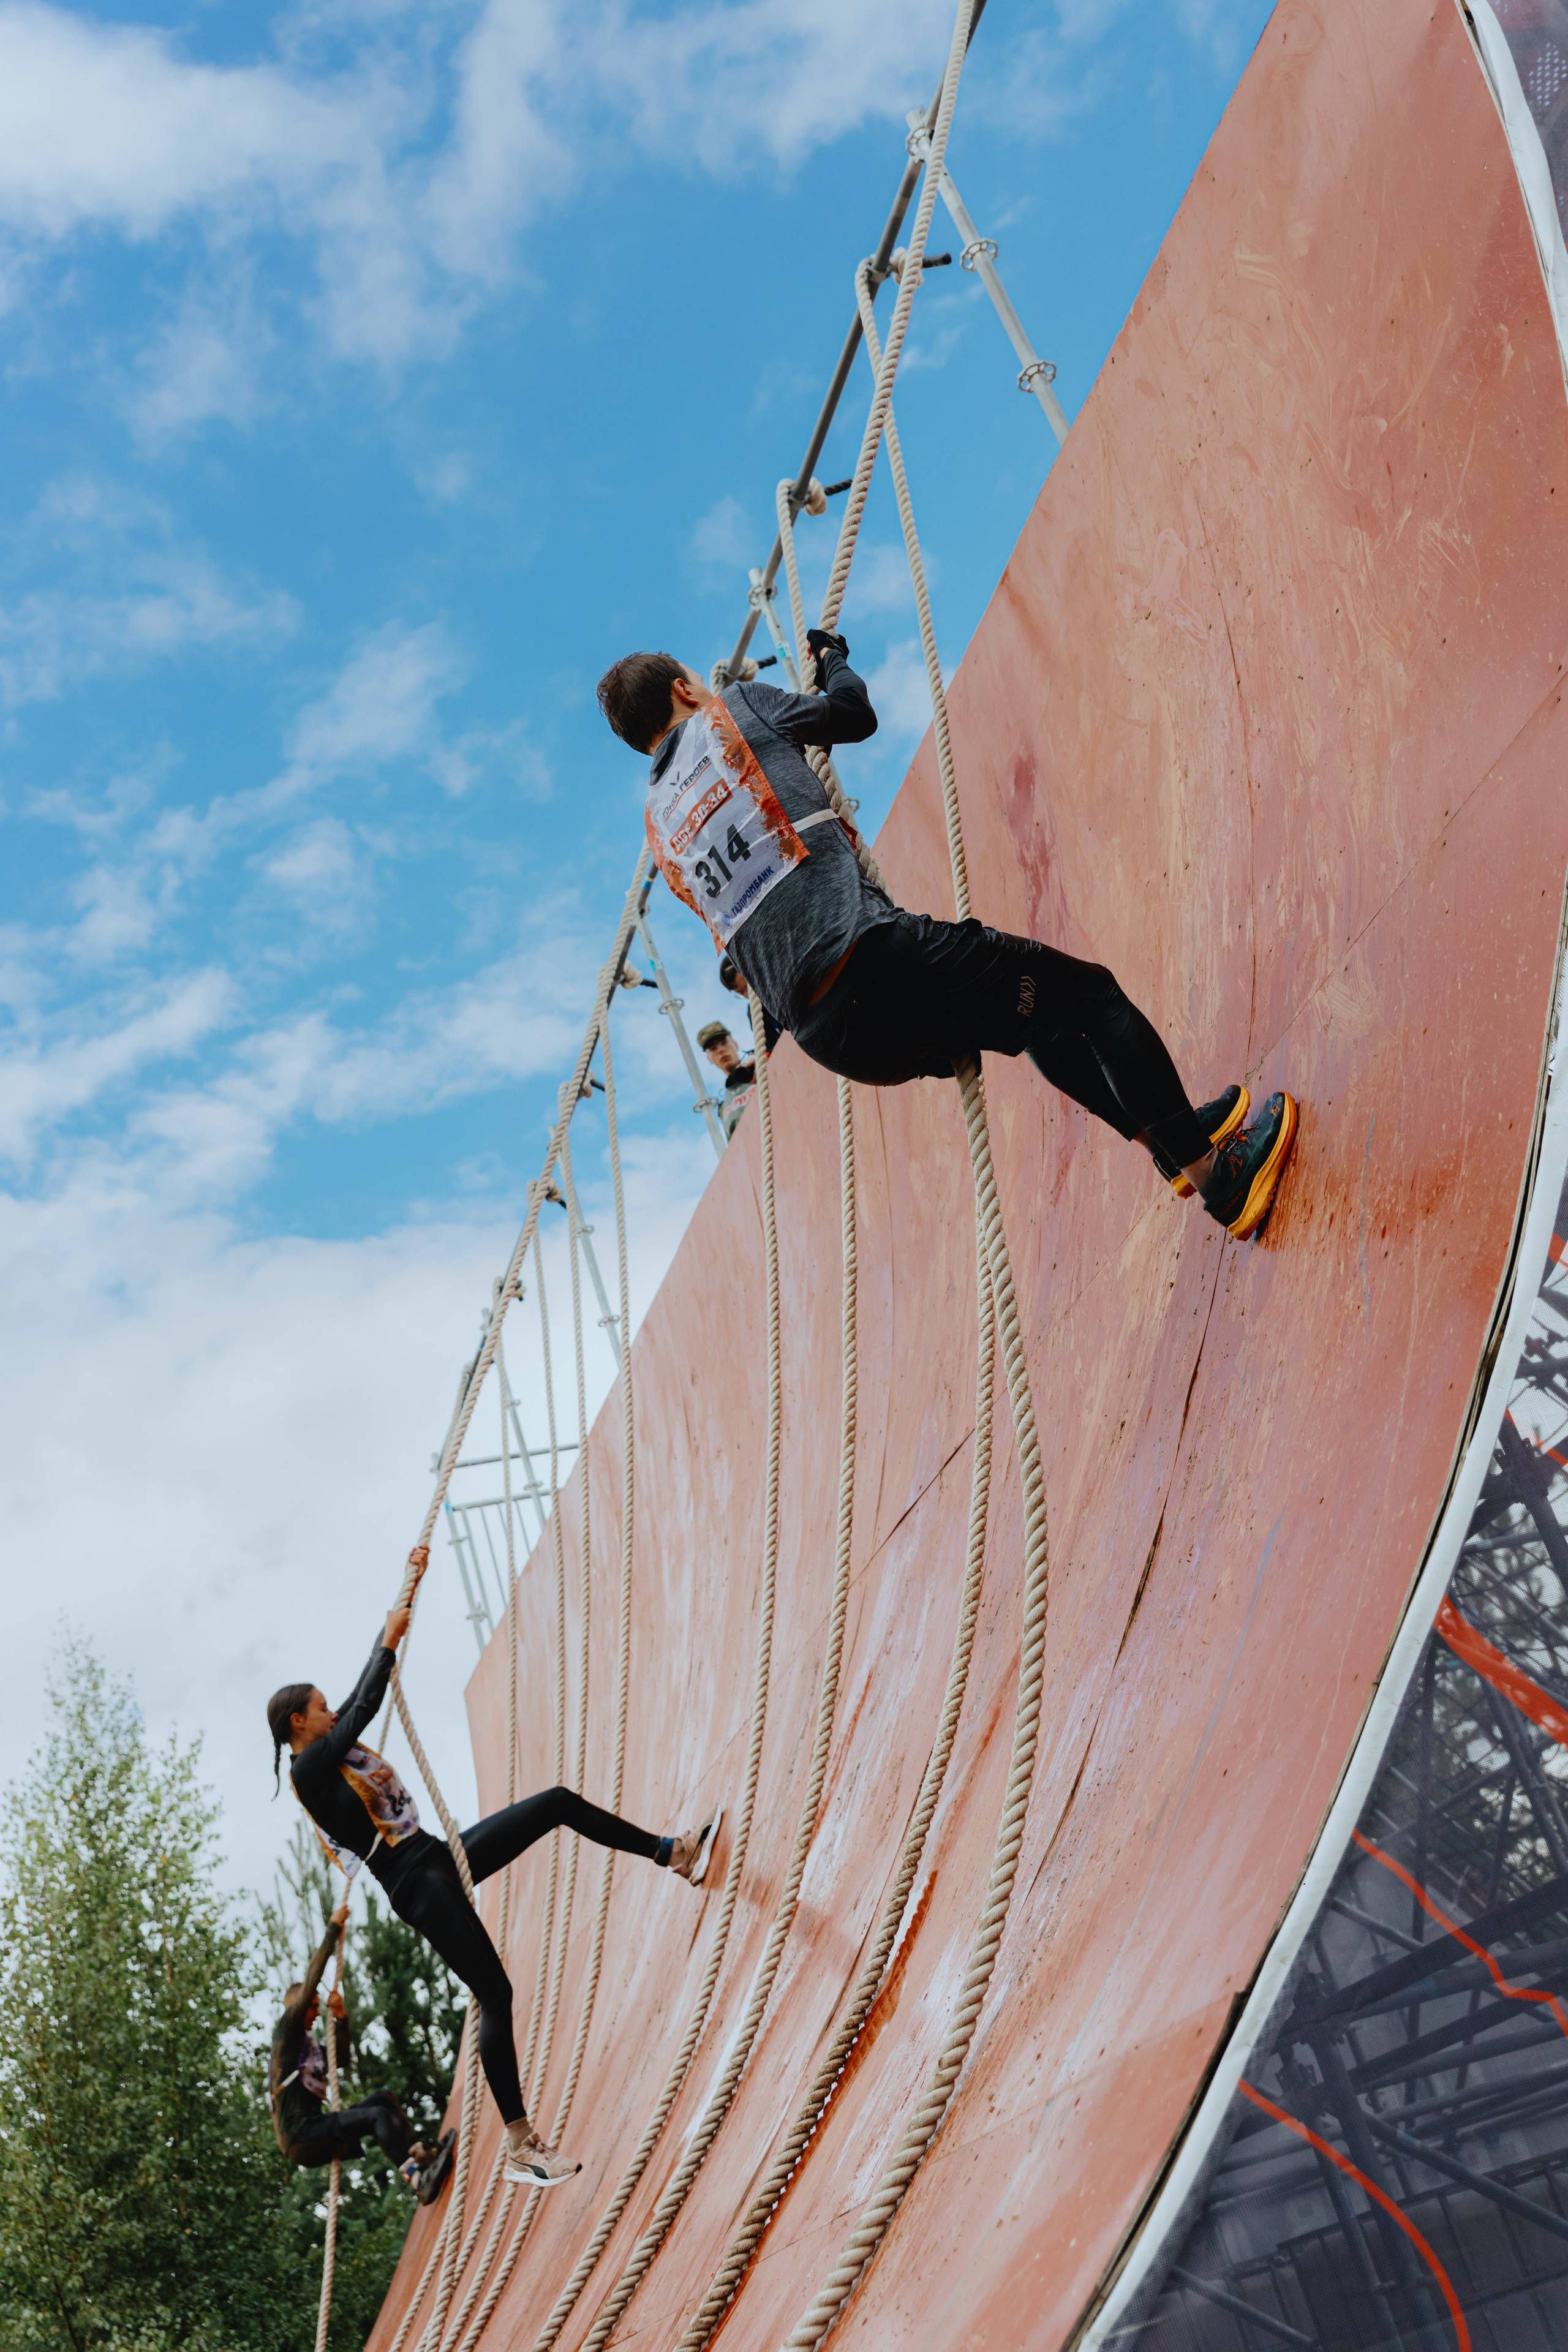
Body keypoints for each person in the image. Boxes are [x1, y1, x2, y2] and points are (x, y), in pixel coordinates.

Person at [597, 636, 1298, 1240]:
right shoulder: (734, 711)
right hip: (879, 964)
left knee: (1037, 1028)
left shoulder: (660, 832)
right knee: (1093, 998)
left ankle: (1172, 1137)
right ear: (687, 689)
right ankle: (1219, 1179)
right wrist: (834, 661)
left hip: (834, 1041)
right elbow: (853, 717)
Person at [267, 1569, 721, 2192]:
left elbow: (356, 1695)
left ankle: (671, 1853)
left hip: (433, 1855)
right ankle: (521, 2143)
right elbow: (365, 1700)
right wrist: (389, 1641)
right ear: (298, 1723)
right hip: (416, 1884)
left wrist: (403, 1592)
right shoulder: (310, 1768)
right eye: (321, 1709)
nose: (333, 1711)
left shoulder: (322, 1753)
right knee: (495, 1994)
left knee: (556, 1802)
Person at [268, 1899, 456, 2204]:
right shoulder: (287, 2031)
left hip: (312, 2128)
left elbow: (341, 2059)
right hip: (300, 2136)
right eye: (313, 2007)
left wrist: (341, 2017)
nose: (316, 2014)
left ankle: (421, 2154)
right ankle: (417, 2179)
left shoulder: (307, 2050)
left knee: (382, 2098)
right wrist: (333, 1929)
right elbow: (313, 1979)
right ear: (297, 2006)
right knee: (376, 2116)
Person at [698, 1019, 756, 1139]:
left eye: (724, 1043)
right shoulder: (724, 1109)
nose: (720, 1050)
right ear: (710, 1059)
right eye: (713, 1049)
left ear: (736, 1045)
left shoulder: (762, 1063)